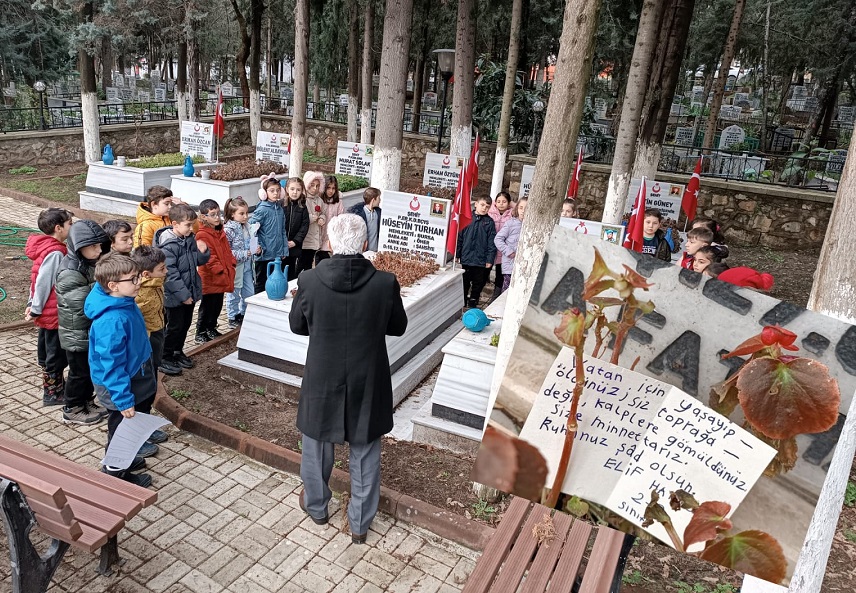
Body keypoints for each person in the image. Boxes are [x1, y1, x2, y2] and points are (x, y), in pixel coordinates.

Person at [289, 213, 407, 544]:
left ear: (328, 244)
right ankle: (359, 523)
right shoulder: (385, 282)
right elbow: (397, 326)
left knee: (316, 441)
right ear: (366, 245)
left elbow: (297, 325)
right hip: (368, 375)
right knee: (365, 447)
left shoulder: (309, 280)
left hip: (323, 373)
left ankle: (316, 507)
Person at [85, 253, 156, 487]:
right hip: (121, 385)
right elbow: (111, 365)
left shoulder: (122, 299)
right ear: (113, 285)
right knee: (121, 430)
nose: (139, 283)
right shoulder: (111, 320)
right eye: (133, 280)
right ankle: (115, 474)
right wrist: (124, 400)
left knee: (131, 428)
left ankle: (126, 459)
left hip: (136, 375)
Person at [55, 220, 111, 425]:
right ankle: (72, 407)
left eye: (100, 246)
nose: (98, 250)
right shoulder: (70, 271)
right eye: (93, 247)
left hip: (88, 331)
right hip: (77, 333)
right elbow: (83, 306)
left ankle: (87, 401)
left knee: (90, 370)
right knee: (79, 373)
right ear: (79, 247)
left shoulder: (88, 264)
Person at [25, 207, 73, 406]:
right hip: (53, 313)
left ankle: (56, 389)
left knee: (48, 351)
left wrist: (32, 303)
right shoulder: (55, 252)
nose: (72, 226)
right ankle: (53, 394)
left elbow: (34, 280)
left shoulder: (45, 247)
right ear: (58, 227)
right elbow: (44, 283)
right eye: (70, 223)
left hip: (46, 311)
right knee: (54, 354)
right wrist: (35, 307)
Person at [156, 204, 210, 373]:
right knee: (174, 326)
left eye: (192, 224)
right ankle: (165, 356)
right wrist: (184, 295)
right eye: (187, 225)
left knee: (185, 324)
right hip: (175, 296)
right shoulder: (168, 246)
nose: (191, 228)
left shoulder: (188, 238)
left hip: (189, 291)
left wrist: (203, 252)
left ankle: (178, 352)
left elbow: (197, 261)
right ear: (175, 224)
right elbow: (170, 275)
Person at [194, 200, 236, 343]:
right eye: (213, 215)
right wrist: (219, 269)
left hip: (222, 275)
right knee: (207, 306)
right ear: (204, 217)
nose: (217, 217)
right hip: (211, 277)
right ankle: (200, 331)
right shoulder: (202, 234)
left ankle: (211, 327)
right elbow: (208, 256)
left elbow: (226, 250)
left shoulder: (219, 231)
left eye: (218, 214)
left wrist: (231, 262)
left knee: (217, 304)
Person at [131, 245, 172, 380]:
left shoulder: (156, 281)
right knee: (150, 366)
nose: (166, 271)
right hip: (148, 335)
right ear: (146, 274)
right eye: (161, 269)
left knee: (156, 362)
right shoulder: (139, 294)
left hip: (158, 328)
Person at [249, 176, 288, 292]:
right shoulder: (262, 210)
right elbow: (251, 229)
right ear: (264, 193)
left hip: (276, 253)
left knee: (274, 280)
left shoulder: (280, 209)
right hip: (264, 255)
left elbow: (282, 231)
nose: (275, 193)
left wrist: (284, 250)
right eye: (272, 191)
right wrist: (256, 247)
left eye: (277, 190)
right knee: (261, 282)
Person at [458, 196, 497, 309]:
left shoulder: (489, 222)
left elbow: (491, 242)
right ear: (476, 204)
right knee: (464, 281)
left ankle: (473, 301)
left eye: (487, 207)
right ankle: (463, 301)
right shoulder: (467, 218)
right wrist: (458, 254)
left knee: (478, 283)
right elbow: (460, 237)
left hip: (480, 259)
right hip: (466, 257)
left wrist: (490, 259)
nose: (484, 208)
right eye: (482, 205)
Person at [224, 197, 257, 327]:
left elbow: (249, 243)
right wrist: (244, 253)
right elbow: (227, 252)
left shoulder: (247, 227)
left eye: (246, 213)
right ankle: (233, 316)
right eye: (241, 213)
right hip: (235, 267)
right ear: (233, 214)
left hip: (247, 265)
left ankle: (244, 313)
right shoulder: (228, 230)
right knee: (233, 293)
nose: (245, 216)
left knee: (249, 291)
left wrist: (255, 249)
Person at [494, 196, 526, 294]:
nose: (523, 211)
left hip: (525, 266)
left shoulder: (534, 227)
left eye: (527, 208)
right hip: (510, 265)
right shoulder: (511, 223)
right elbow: (498, 239)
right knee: (507, 292)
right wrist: (509, 252)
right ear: (517, 208)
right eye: (521, 207)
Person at [488, 191, 514, 298]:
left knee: (500, 276)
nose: (501, 204)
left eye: (504, 201)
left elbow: (522, 209)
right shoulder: (490, 212)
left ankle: (495, 297)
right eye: (498, 201)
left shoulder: (512, 214)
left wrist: (512, 204)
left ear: (509, 203)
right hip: (490, 248)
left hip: (503, 250)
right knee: (484, 273)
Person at [284, 178, 310, 280]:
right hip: (281, 245)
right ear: (287, 189)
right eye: (292, 189)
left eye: (298, 190)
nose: (295, 192)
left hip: (294, 246)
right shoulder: (281, 204)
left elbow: (304, 226)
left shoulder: (302, 207)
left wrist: (295, 241)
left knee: (291, 271)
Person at [316, 175, 345, 264]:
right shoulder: (319, 199)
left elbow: (341, 218)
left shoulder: (338, 202)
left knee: (327, 261)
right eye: (328, 188)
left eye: (333, 188)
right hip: (318, 234)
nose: (331, 191)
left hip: (331, 236)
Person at [300, 170, 325, 272]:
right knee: (301, 262)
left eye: (317, 186)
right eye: (312, 185)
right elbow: (300, 217)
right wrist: (310, 218)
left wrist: (322, 218)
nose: (315, 188)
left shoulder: (319, 200)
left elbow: (323, 212)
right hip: (305, 239)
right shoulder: (303, 200)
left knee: (309, 263)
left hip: (315, 236)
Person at [347, 187, 382, 252]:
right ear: (373, 200)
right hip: (363, 252)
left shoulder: (379, 213)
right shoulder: (358, 215)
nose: (380, 200)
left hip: (376, 251)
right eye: (379, 198)